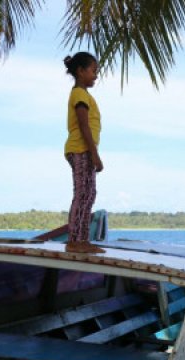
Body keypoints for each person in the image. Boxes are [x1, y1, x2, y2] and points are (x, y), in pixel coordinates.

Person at [63, 52, 105, 254]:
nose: (96, 75)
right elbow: (83, 125)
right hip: (81, 149)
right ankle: (74, 240)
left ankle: (83, 239)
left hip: (84, 149)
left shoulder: (84, 95)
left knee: (89, 193)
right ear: (80, 71)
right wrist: (94, 154)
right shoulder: (79, 94)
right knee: (83, 193)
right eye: (93, 71)